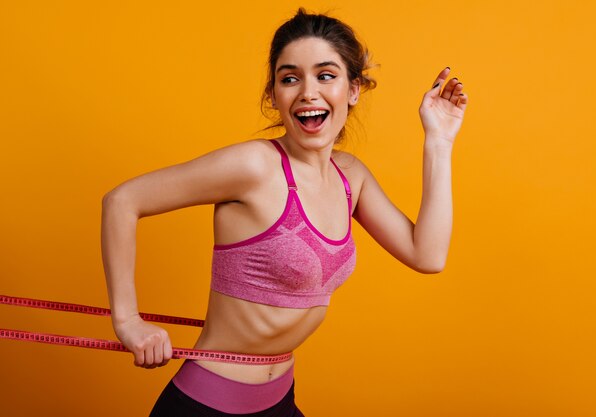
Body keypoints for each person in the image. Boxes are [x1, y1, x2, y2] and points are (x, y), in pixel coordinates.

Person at [101, 8, 467, 417]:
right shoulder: (254, 166)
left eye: (325, 75)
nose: (308, 92)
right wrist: (128, 321)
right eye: (290, 78)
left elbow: (427, 255)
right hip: (205, 407)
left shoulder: (350, 177)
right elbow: (122, 201)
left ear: (353, 89)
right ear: (274, 94)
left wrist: (439, 141)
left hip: (278, 403)